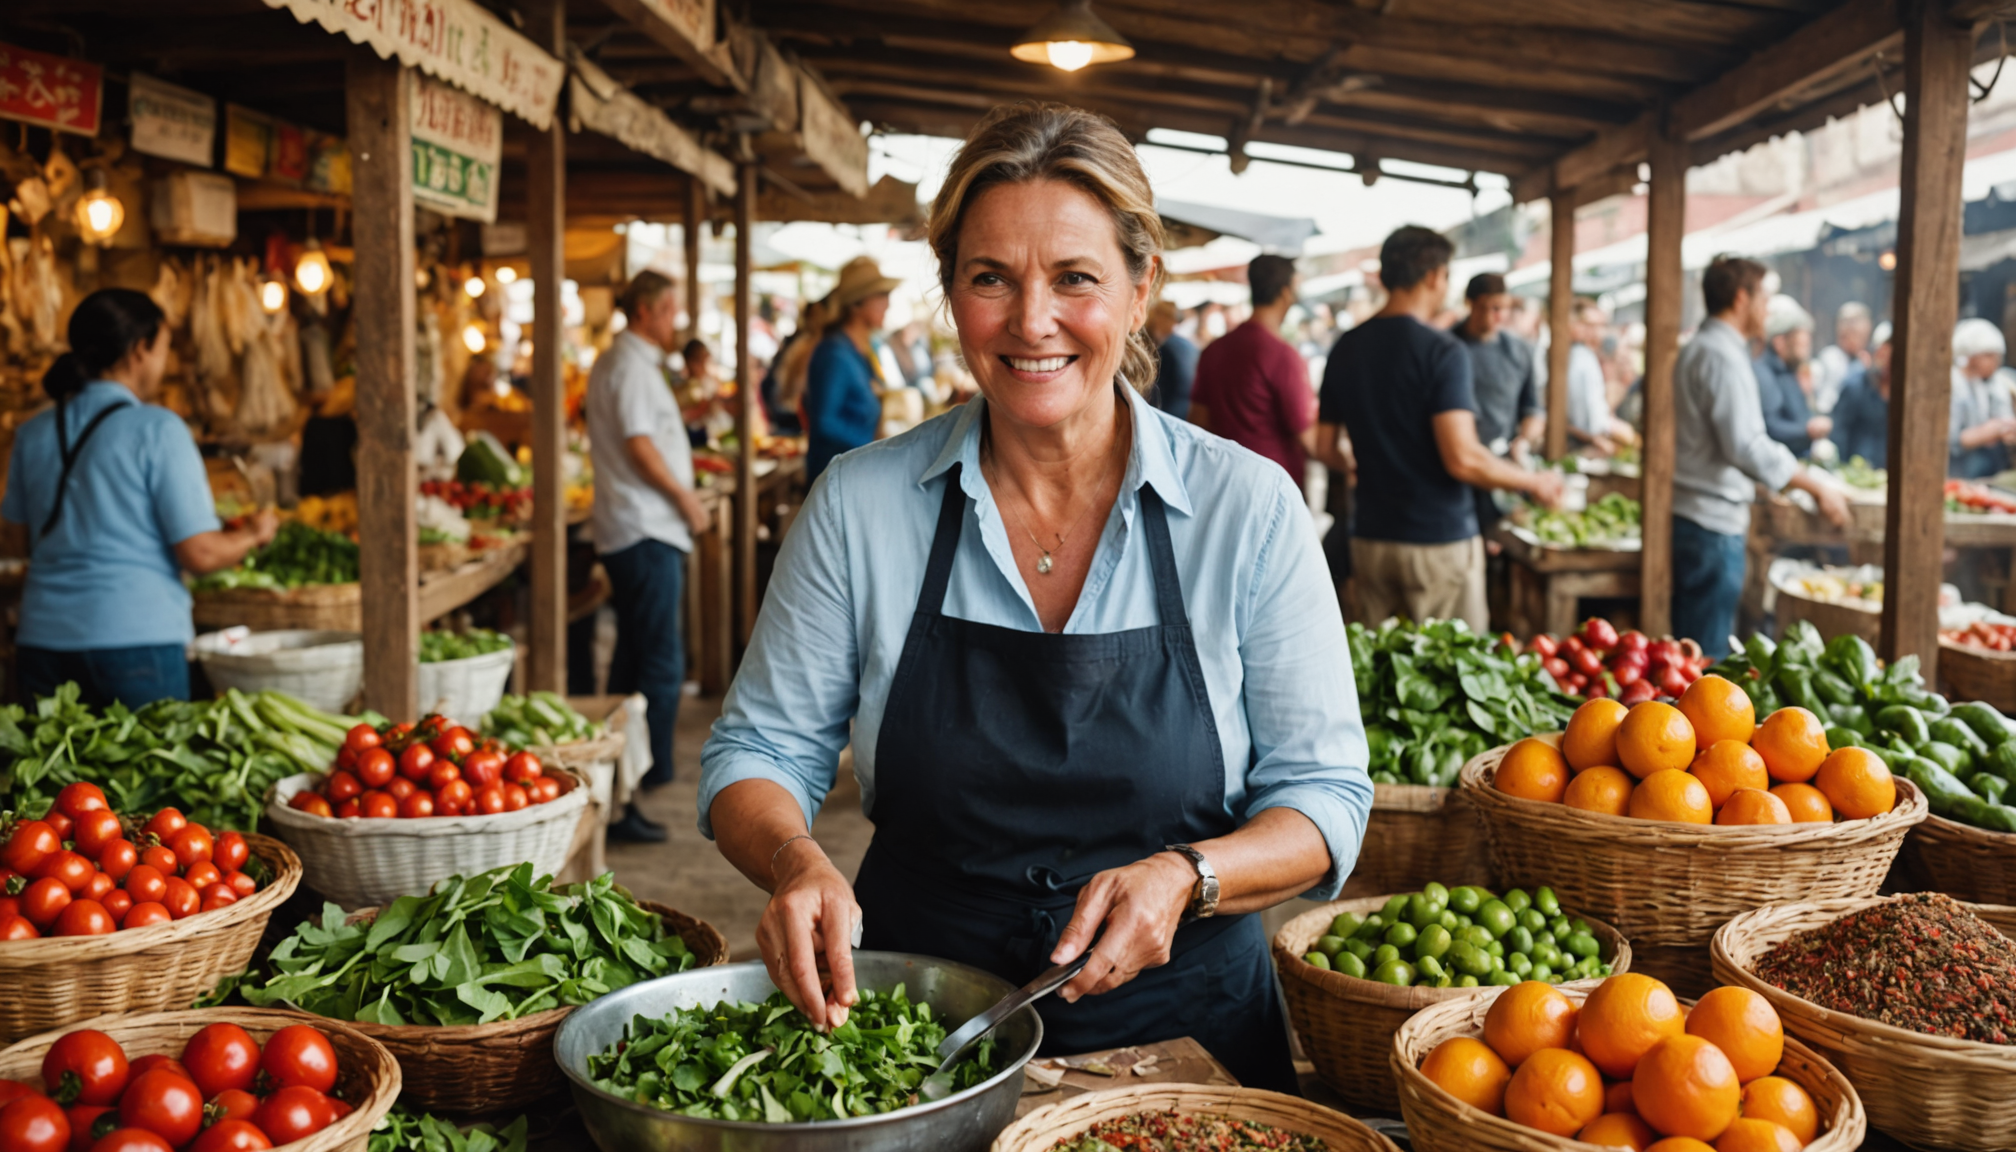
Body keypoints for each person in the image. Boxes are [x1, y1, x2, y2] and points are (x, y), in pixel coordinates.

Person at [698, 102, 1371, 1092]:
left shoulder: (1247, 508)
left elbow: (1323, 798)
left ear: (1141, 290)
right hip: (915, 1034)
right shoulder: (862, 504)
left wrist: (1191, 876)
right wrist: (797, 861)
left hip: (1194, 1036)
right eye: (990, 279)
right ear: (951, 292)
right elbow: (757, 751)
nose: (1031, 320)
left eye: (1075, 279)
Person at [0, 289, 279, 707]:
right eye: (163, 349)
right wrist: (254, 534)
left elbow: (16, 542)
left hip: (43, 642)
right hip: (136, 644)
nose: (163, 364)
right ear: (139, 350)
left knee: (53, 771)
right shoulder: (158, 429)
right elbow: (200, 554)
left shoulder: (33, 432)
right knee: (144, 769)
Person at [1312, 226, 1565, 631]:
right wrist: (1532, 482)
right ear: (1433, 276)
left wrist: (1360, 467)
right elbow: (1462, 457)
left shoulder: (1346, 347)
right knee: (1453, 675)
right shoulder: (1442, 351)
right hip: (1437, 540)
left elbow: (1324, 447)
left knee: (1383, 675)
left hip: (1371, 538)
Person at [586, 271, 713, 843]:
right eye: (669, 312)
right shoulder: (630, 366)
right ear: (645, 311)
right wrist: (685, 498)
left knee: (636, 664)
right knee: (657, 663)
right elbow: (640, 445)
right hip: (645, 529)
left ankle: (621, 785)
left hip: (636, 527)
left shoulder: (629, 364)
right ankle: (645, 776)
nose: (675, 323)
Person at [1672, 258, 1849, 656]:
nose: (1768, 309)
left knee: (1688, 653)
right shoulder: (1720, 354)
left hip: (1698, 516)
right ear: (1741, 298)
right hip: (1711, 523)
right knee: (1704, 658)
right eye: (1764, 298)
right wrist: (1814, 485)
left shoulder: (1704, 347)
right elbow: (1745, 445)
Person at [1188, 254, 1314, 481]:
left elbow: (1197, 421)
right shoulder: (1283, 356)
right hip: (1274, 487)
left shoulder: (1214, 350)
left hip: (1222, 481)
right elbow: (1308, 438)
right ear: (1285, 293)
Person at [776, 256, 901, 483]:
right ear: (857, 304)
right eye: (881, 296)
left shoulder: (858, 350)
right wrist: (877, 448)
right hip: (835, 481)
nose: (888, 304)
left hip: (854, 473)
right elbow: (825, 422)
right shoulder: (835, 354)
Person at [1453, 272, 1544, 533]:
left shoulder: (1519, 350)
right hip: (1457, 468)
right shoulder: (1447, 349)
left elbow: (1534, 410)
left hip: (1503, 464)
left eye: (1502, 308)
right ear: (1470, 303)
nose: (1497, 316)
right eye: (1489, 308)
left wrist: (1523, 441)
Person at [1754, 294, 1828, 457]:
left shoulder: (1790, 372)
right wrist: (1807, 431)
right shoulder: (1764, 374)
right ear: (1779, 342)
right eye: (1800, 342)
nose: (1806, 346)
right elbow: (1769, 427)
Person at [1950, 317, 2016, 479]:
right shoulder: (1953, 384)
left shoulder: (1996, 383)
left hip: (1992, 467)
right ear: (1971, 356)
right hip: (1958, 468)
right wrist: (1990, 431)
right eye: (1989, 356)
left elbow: (2005, 418)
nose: (1996, 362)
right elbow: (1951, 440)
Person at [1567, 300, 1632, 454]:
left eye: (1600, 326)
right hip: (1577, 446)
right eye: (1589, 325)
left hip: (1591, 444)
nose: (1596, 332)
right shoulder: (1576, 357)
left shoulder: (1587, 356)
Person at [1829, 327, 1890, 467]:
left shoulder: (1904, 393)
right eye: (1883, 352)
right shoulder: (1855, 385)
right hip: (1858, 471)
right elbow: (1839, 431)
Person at [1814, 302, 1873, 415]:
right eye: (1858, 336)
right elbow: (1826, 403)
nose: (1863, 341)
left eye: (1864, 336)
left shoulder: (1865, 359)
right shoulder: (1831, 358)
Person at [1146, 299, 1198, 420]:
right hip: (1181, 415)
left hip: (1165, 415)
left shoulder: (1165, 349)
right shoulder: (1186, 345)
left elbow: (1157, 391)